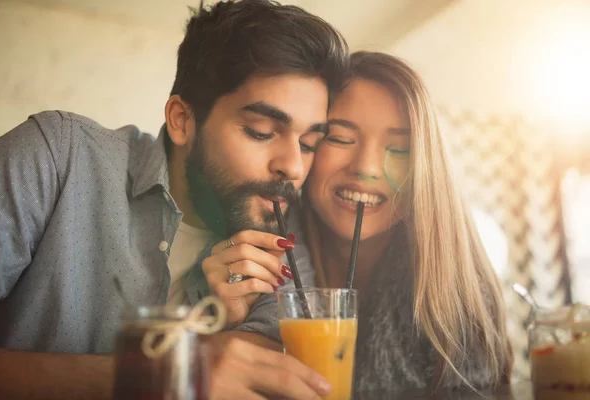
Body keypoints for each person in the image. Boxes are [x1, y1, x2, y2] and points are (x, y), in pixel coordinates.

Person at [0, 0, 348, 398]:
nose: (294, 167)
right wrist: (160, 374)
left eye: (310, 143)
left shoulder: (286, 242)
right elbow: (202, 378)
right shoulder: (56, 158)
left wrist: (225, 329)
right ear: (182, 120)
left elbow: (254, 375)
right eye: (262, 131)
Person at [216, 51, 513, 395]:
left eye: (400, 148)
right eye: (340, 139)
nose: (367, 168)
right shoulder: (258, 246)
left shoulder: (458, 287)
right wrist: (231, 325)